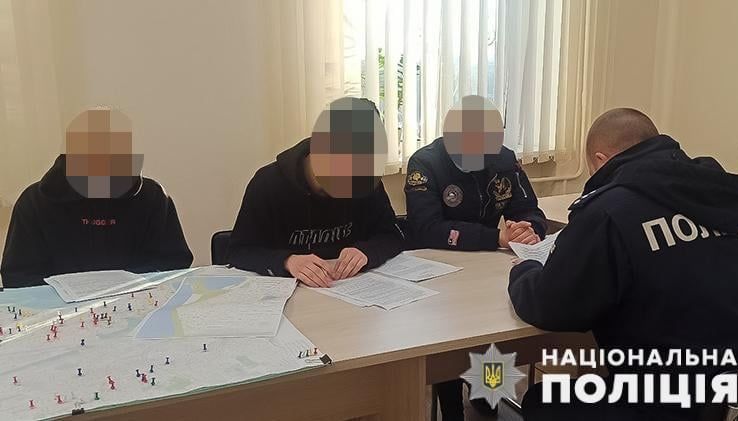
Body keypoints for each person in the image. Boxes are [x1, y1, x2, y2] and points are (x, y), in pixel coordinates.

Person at [509, 108, 738, 420]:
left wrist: (524, 271)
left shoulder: (608, 211)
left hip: (666, 401)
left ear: (601, 161)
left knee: (543, 400)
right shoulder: (722, 190)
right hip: (724, 392)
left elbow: (549, 307)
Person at [405, 95, 547, 421]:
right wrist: (496, 237)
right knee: (449, 341)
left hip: (487, 267)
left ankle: (486, 394)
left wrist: (529, 230)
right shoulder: (426, 163)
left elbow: (528, 209)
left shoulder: (504, 159)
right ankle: (452, 409)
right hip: (440, 270)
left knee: (494, 335)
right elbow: (426, 229)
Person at [1, 108, 193, 288]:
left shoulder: (153, 198)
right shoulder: (34, 202)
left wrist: (126, 286)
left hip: (140, 301)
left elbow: (174, 263)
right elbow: (19, 276)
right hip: (58, 307)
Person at [227, 97, 403, 285]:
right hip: (287, 291)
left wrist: (366, 252)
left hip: (350, 287)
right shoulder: (268, 183)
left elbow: (393, 236)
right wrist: (287, 261)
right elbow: (239, 252)